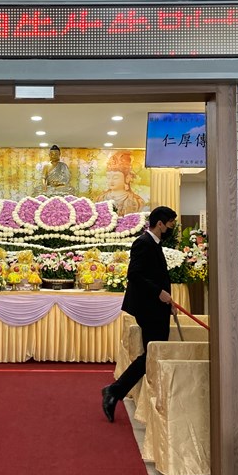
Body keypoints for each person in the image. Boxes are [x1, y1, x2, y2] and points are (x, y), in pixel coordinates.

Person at [101, 205, 178, 423]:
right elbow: (134, 274)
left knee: (153, 352)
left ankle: (115, 391)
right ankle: (114, 390)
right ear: (160, 224)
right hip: (148, 309)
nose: (171, 229)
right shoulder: (143, 243)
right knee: (152, 352)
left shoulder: (155, 244)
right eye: (170, 225)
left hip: (158, 307)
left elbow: (156, 277)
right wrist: (159, 293)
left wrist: (168, 302)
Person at [95, 150, 145, 215]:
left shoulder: (136, 201)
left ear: (127, 178)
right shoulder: (101, 198)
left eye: (115, 178)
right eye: (108, 177)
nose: (111, 181)